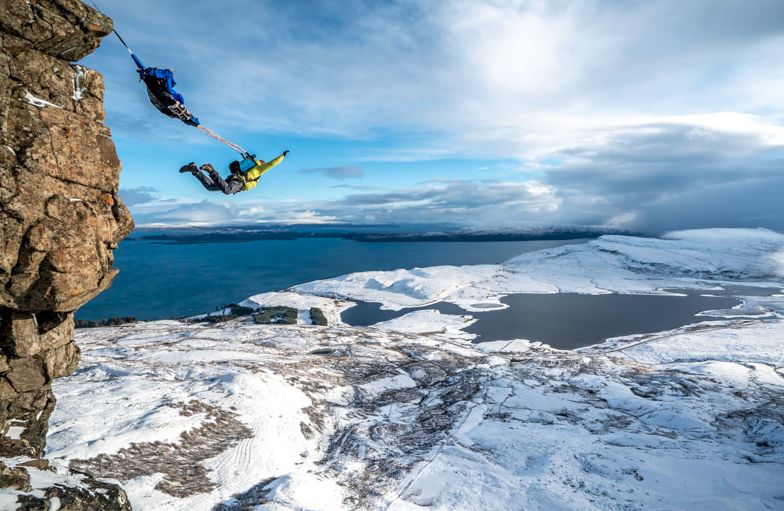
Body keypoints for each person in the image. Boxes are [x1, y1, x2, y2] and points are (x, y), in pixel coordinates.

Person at [180, 150, 289, 195]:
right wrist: (282, 156)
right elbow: (272, 164)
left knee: (210, 187)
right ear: (262, 163)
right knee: (227, 190)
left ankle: (194, 170)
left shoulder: (252, 164)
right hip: (240, 182)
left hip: (234, 178)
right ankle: (210, 169)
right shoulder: (260, 168)